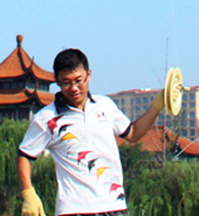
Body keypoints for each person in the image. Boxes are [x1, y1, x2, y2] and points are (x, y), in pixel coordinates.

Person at [17, 48, 165, 216]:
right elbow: (24, 155)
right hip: (75, 210)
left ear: (89, 75)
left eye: (79, 80)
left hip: (114, 206)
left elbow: (133, 134)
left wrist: (158, 105)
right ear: (57, 81)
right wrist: (28, 193)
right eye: (66, 82)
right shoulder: (46, 118)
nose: (74, 88)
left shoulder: (105, 106)